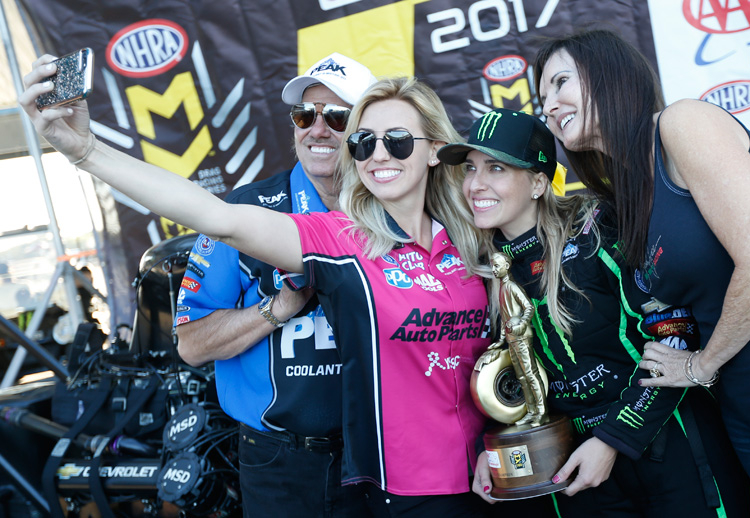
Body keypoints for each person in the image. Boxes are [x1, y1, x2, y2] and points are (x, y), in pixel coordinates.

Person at [20, 57, 492, 516]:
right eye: (367, 141)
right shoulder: (342, 238)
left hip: (463, 473)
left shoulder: (472, 234)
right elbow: (214, 217)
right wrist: (86, 151)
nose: (378, 152)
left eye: (396, 140)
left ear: (434, 148)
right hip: (347, 475)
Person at [533, 29, 750, 517]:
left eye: (560, 83)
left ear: (609, 74)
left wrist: (699, 367)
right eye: (543, 98)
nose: (550, 105)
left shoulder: (683, 124)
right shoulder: (629, 189)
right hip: (748, 419)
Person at [438, 108, 750, 517]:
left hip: (666, 440)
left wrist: (613, 439)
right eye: (470, 169)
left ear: (537, 182)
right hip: (575, 465)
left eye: (495, 168)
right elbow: (512, 387)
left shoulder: (597, 228)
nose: (476, 185)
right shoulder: (479, 270)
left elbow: (676, 333)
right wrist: (496, 448)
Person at [173, 52, 375, 517]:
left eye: (338, 116)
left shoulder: (398, 209)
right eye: (305, 115)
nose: (317, 130)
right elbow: (191, 344)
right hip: (279, 460)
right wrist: (276, 309)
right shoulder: (244, 214)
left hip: (383, 452)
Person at [485, 251, 546, 427]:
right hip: (512, 339)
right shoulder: (502, 288)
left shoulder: (512, 286)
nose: (494, 270)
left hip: (521, 337)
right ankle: (532, 411)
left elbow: (528, 307)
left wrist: (522, 325)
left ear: (507, 266)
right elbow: (505, 318)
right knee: (521, 376)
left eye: (497, 266)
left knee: (530, 374)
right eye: (492, 266)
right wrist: (501, 339)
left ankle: (541, 411)